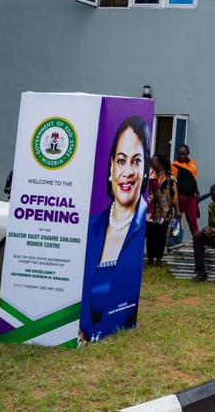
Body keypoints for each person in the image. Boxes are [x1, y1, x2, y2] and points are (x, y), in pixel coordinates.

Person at [80, 115, 150, 342]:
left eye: (136, 161)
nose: (127, 171)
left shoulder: (140, 230)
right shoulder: (90, 228)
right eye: (121, 160)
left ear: (146, 169)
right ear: (111, 166)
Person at [146, 154, 178, 266]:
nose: (151, 163)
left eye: (153, 161)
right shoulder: (150, 175)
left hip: (165, 210)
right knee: (150, 235)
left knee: (161, 235)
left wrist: (177, 210)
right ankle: (150, 259)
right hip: (150, 210)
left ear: (160, 163)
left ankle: (159, 260)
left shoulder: (170, 178)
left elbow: (174, 196)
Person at [171, 144, 201, 237]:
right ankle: (173, 241)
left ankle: (197, 240)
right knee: (177, 219)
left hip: (191, 196)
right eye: (179, 154)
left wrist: (197, 190)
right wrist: (175, 200)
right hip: (181, 196)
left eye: (183, 154)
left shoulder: (192, 162)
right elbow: (173, 183)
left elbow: (193, 179)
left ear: (188, 153)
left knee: (193, 220)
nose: (181, 156)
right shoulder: (174, 165)